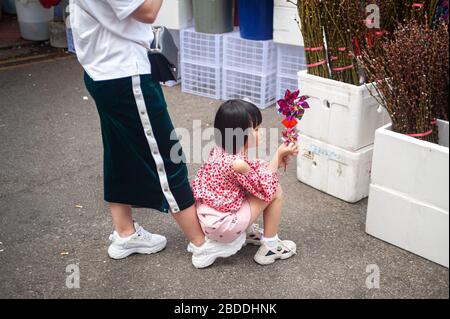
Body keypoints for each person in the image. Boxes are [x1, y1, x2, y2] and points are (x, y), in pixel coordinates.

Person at [70, 0, 224, 267]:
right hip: (124, 72)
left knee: (119, 153)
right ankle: (201, 243)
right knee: (167, 156)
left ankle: (125, 233)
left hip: (102, 71)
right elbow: (147, 11)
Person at [191, 100, 298, 267]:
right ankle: (271, 247)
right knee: (276, 190)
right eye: (255, 129)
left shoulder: (220, 151)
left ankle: (246, 232)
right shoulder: (238, 164)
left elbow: (253, 175)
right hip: (224, 225)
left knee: (250, 185)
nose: (260, 132)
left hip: (209, 218)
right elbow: (265, 188)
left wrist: (271, 163)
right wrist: (277, 156)